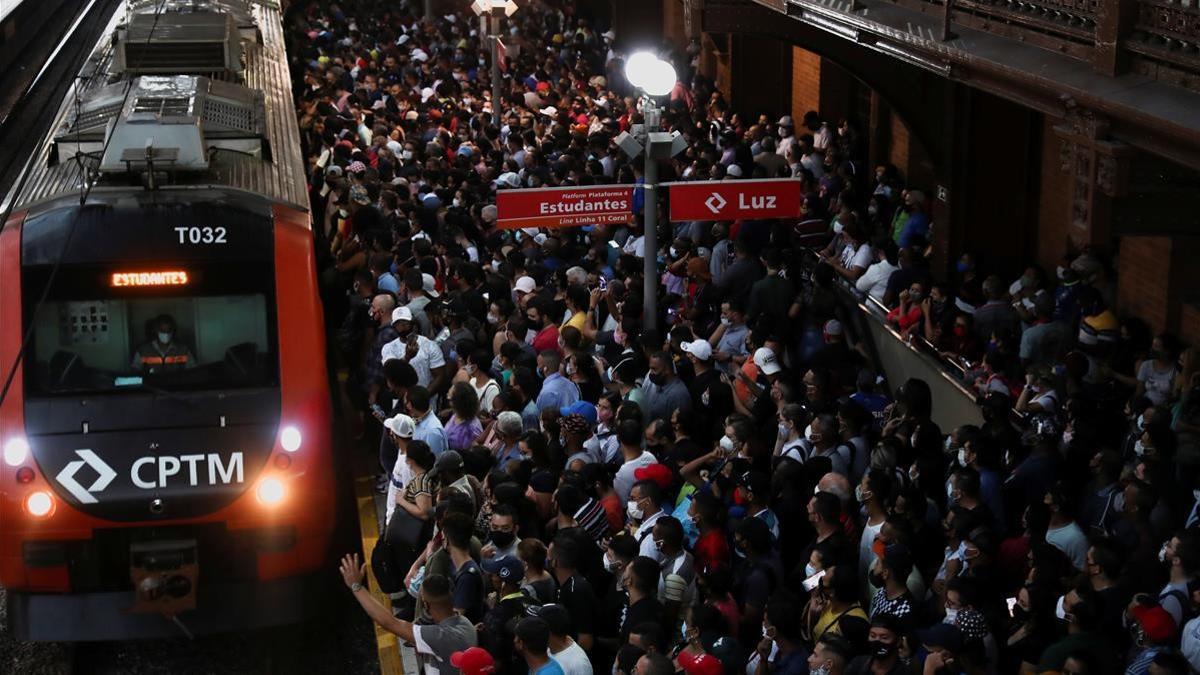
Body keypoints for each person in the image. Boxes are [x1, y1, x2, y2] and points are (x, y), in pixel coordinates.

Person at [339, 556, 476, 675]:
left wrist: (356, 586)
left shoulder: (438, 637)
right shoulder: (467, 624)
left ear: (426, 606)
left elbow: (389, 622)